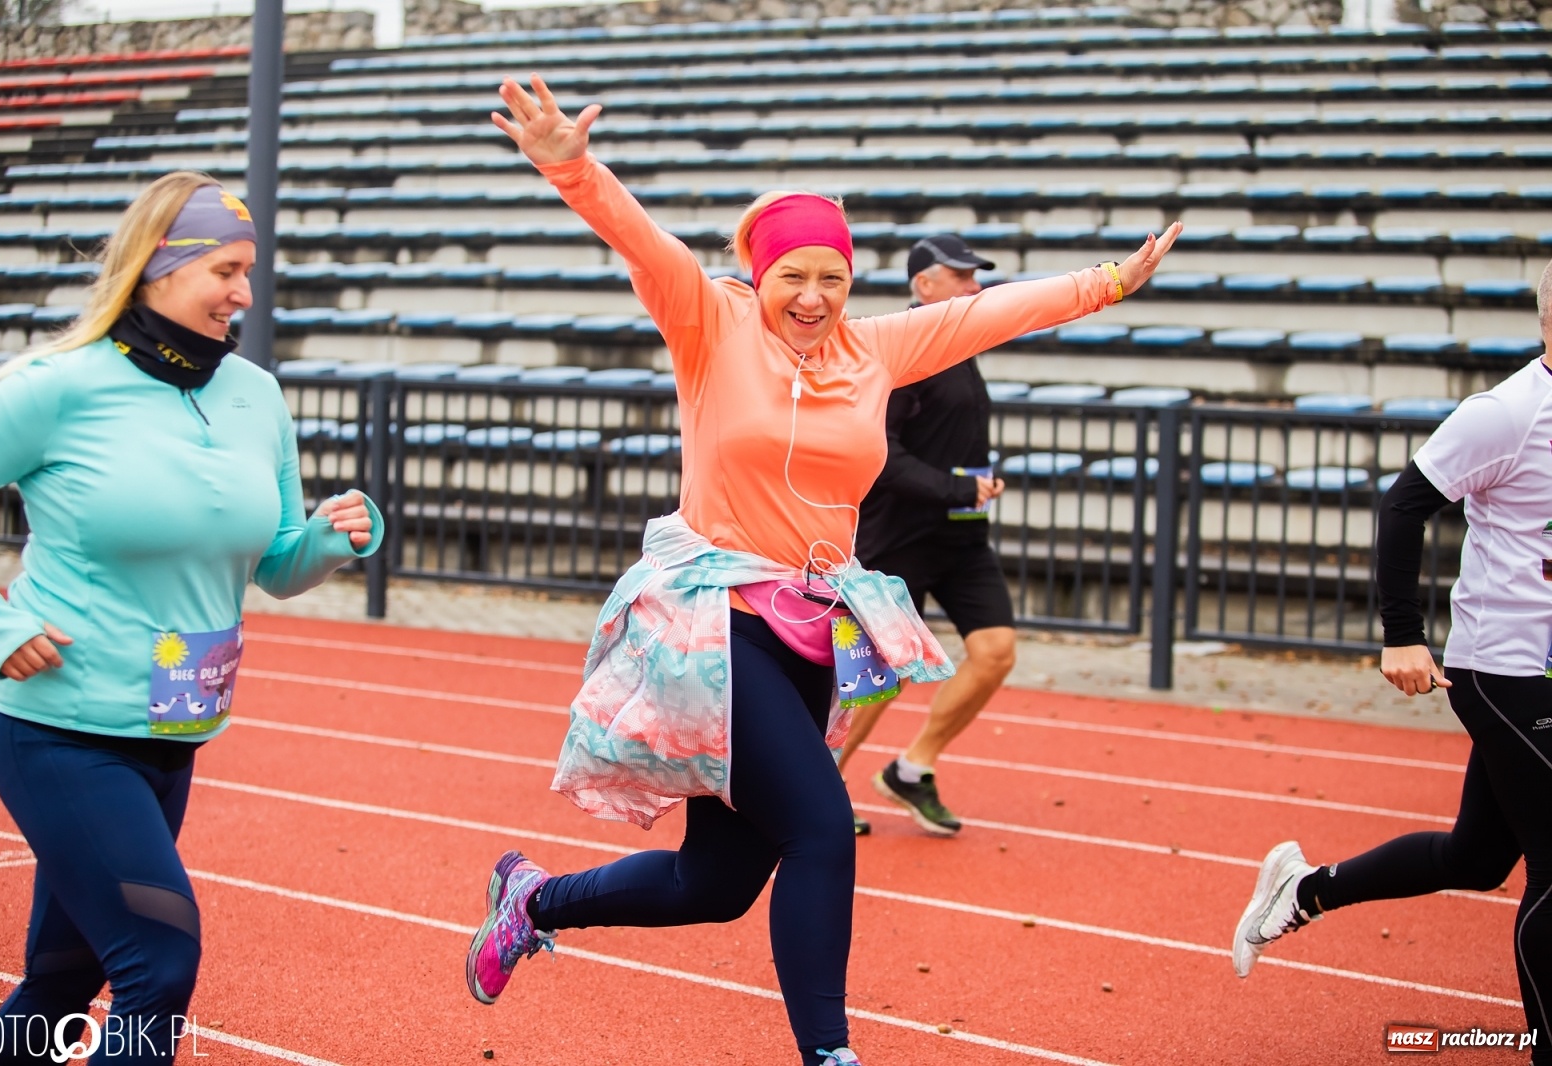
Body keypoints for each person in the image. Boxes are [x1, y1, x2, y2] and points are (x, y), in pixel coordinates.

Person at [466, 75, 1180, 1066]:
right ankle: (828, 1054)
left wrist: (1107, 281)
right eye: (792, 276)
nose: (810, 297)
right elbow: (640, 239)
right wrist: (567, 162)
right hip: (715, 624)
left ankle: (532, 899)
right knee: (821, 829)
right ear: (759, 276)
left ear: (853, 284)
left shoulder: (875, 350)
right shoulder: (709, 326)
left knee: (711, 888)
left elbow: (999, 313)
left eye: (830, 279)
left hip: (812, 630)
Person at [0, 173, 383, 1064]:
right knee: (159, 961)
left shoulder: (255, 396)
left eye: (250, 270)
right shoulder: (58, 387)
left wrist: (335, 539)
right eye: (225, 268)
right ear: (158, 265)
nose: (245, 293)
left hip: (174, 729)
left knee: (62, 982)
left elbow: (273, 564)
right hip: (61, 732)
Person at [1233, 261, 1552, 1060]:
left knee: (1477, 858)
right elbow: (1404, 504)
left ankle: (1305, 888)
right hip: (1503, 669)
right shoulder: (1508, 412)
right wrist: (1401, 632)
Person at [840, 234, 1016, 837]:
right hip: (897, 543)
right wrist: (954, 488)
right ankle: (818, 789)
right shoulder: (900, 350)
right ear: (924, 286)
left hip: (963, 540)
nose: (975, 286)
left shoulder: (962, 345)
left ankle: (912, 770)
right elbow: (880, 456)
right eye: (962, 276)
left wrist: (982, 478)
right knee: (872, 682)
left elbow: (951, 438)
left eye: (976, 276)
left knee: (995, 653)